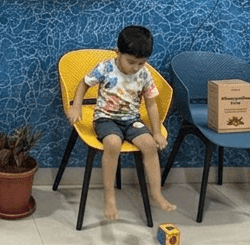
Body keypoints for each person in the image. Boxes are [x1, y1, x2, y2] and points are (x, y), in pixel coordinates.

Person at [66, 25, 176, 221]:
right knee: (113, 144)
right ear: (117, 53)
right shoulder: (106, 68)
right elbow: (84, 83)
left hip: (131, 120)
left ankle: (157, 193)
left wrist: (157, 132)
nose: (135, 68)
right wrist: (76, 106)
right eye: (131, 62)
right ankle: (109, 196)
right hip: (105, 118)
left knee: (150, 146)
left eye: (141, 63)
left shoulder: (144, 74)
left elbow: (151, 105)